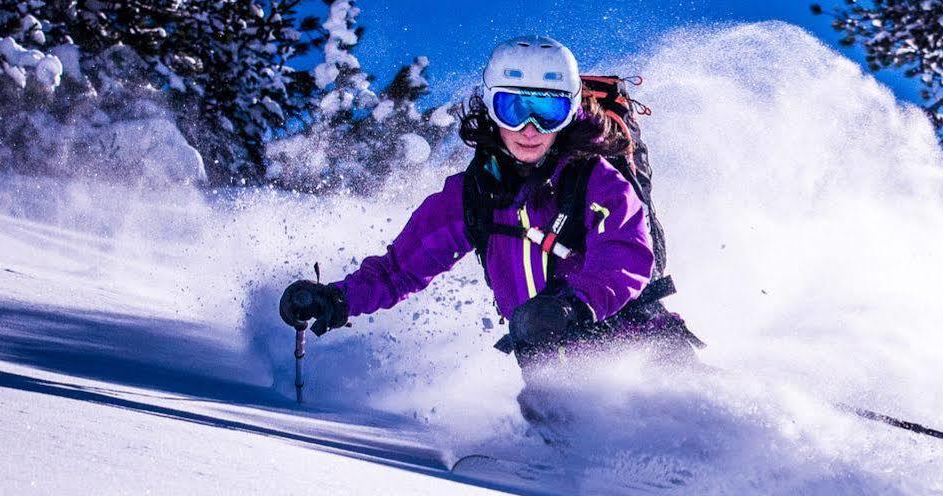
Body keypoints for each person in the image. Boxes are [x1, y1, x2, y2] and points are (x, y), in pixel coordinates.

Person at [278, 36, 695, 376]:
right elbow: (400, 270)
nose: (530, 129)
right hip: (547, 366)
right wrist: (336, 299)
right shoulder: (471, 196)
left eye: (548, 110)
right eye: (513, 108)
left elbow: (626, 256)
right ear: (492, 109)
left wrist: (572, 306)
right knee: (559, 434)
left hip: (636, 336)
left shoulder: (597, 180)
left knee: (686, 415)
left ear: (569, 113)